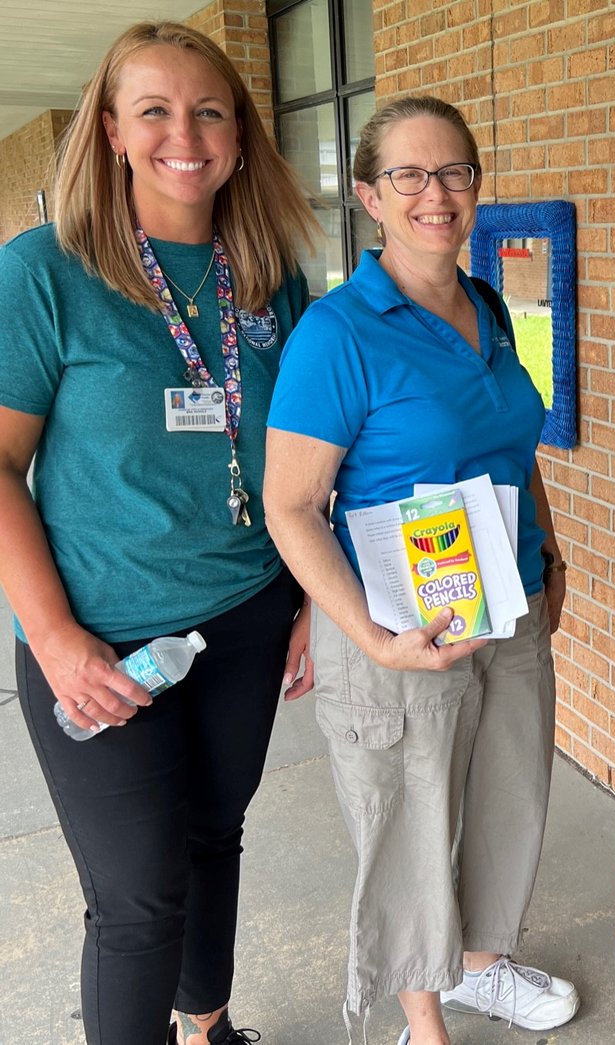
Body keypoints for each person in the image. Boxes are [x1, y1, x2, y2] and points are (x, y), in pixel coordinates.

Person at [0, 21, 320, 1045]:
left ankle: (208, 1028)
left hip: (248, 611)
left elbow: (304, 460)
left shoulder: (270, 275)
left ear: (239, 132)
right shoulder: (46, 272)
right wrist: (52, 637)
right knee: (137, 901)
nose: (186, 133)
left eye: (210, 109)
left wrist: (309, 595)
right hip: (103, 637)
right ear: (111, 131)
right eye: (155, 110)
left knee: (213, 839)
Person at [263, 97, 579, 1045]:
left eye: (454, 173)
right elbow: (290, 507)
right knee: (407, 821)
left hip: (506, 605)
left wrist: (552, 554)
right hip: (399, 629)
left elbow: (515, 449)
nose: (434, 193)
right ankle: (423, 1018)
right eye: (408, 174)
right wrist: (372, 638)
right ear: (368, 194)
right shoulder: (339, 332)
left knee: (505, 800)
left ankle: (481, 968)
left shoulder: (486, 305)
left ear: (476, 187)